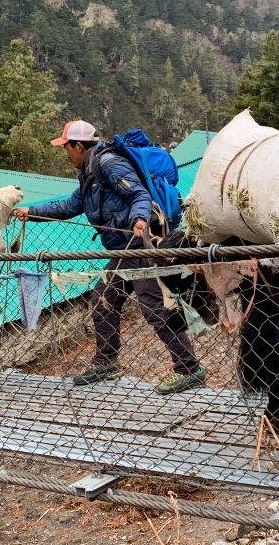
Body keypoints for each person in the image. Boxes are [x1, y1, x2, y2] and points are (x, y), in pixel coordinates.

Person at [13, 120, 206, 395]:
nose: (66, 153)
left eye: (66, 147)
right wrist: (31, 212)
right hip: (121, 249)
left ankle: (189, 368)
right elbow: (71, 205)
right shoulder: (89, 172)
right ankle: (107, 362)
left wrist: (139, 218)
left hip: (138, 245)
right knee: (104, 299)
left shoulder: (108, 164)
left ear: (78, 146)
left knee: (154, 306)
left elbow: (138, 193)